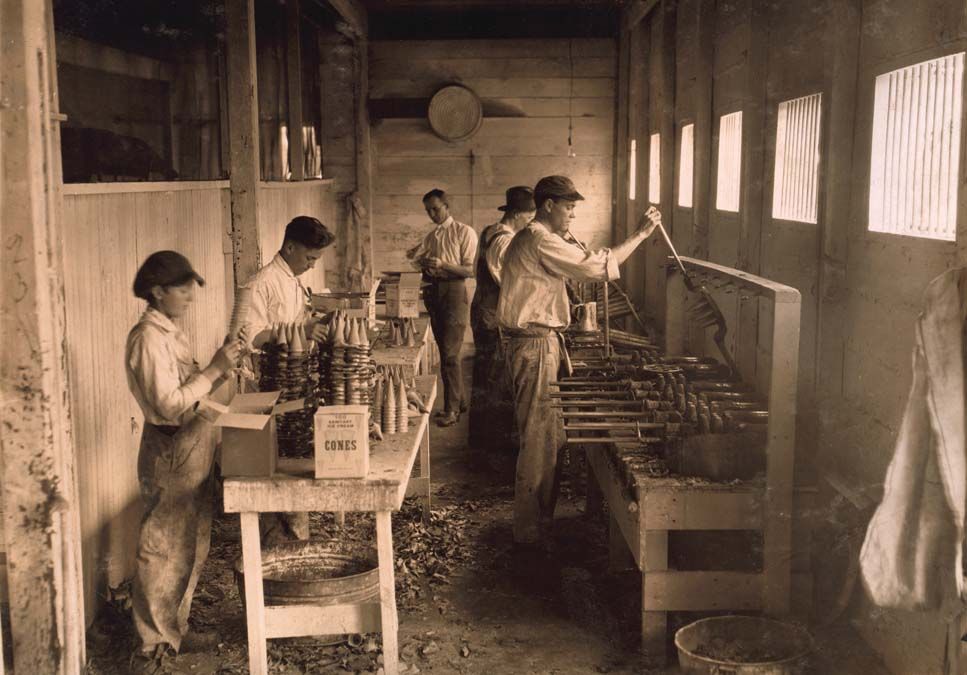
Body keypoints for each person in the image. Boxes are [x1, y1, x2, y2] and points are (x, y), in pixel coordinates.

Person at [496, 175, 662, 548]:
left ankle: (538, 525)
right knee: (540, 438)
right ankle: (530, 535)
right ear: (549, 205)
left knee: (550, 435)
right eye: (568, 206)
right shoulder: (539, 239)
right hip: (534, 345)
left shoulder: (539, 238)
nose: (572, 213)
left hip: (541, 341)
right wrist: (639, 235)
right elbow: (593, 268)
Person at [125, 251, 243, 673]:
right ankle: (150, 650)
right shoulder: (147, 338)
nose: (191, 295)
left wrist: (221, 373)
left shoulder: (171, 330)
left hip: (194, 439)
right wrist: (213, 369)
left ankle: (175, 628)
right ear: (157, 292)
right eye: (182, 288)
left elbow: (189, 388)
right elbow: (168, 403)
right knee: (162, 549)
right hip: (171, 447)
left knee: (192, 542)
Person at [242, 215, 335, 543]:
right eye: (309, 258)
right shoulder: (263, 282)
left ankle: (295, 536)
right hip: (271, 385)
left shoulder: (293, 279)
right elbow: (251, 337)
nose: (311, 265)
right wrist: (301, 330)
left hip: (293, 382)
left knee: (294, 461)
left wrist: (314, 321)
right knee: (277, 467)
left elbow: (297, 321)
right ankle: (278, 543)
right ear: (290, 246)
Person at [468, 186, 536, 456]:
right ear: (519, 215)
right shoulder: (503, 241)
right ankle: (491, 452)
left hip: (486, 312)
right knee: (494, 382)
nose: (531, 225)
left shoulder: (489, 231)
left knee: (487, 380)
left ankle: (482, 446)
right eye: (530, 218)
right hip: (491, 317)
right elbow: (509, 283)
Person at [405, 189, 478, 427]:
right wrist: (420, 262)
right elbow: (420, 263)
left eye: (435, 209)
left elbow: (469, 271)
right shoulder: (432, 236)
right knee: (446, 352)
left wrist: (443, 264)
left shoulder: (464, 232)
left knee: (449, 355)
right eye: (428, 210)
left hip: (454, 293)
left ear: (447, 206)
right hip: (433, 291)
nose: (432, 214)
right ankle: (461, 402)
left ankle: (451, 410)